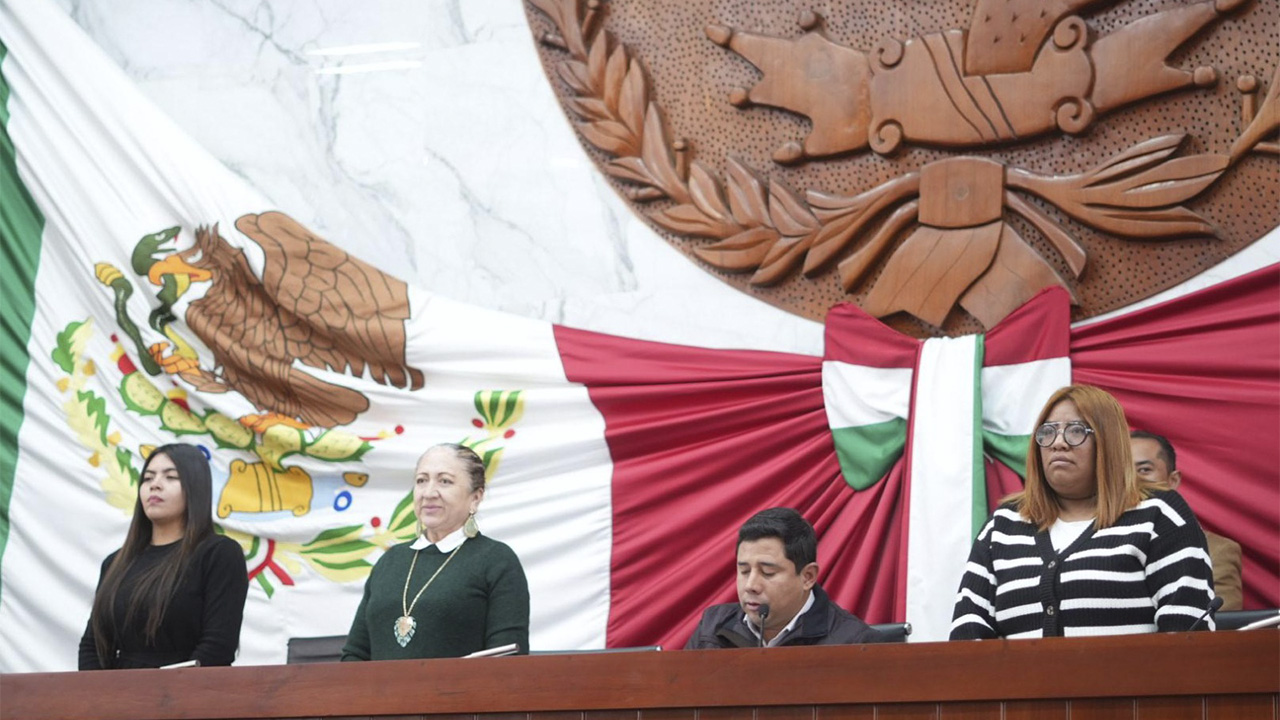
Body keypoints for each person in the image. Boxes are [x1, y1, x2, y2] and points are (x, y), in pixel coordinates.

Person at [950, 385, 1216, 640]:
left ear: (1108, 442)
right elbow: (967, 633)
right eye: (1048, 432)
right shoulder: (1003, 526)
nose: (1058, 444)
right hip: (1017, 688)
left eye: (1076, 431)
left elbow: (1186, 635)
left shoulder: (1158, 513)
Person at [342, 443, 529, 660]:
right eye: (421, 480)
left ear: (475, 498)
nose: (429, 493)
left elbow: (507, 660)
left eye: (445, 481)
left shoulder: (497, 561)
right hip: (379, 695)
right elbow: (354, 655)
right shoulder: (390, 561)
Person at [79, 443, 249, 669]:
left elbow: (217, 648)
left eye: (171, 477)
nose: (155, 485)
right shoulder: (115, 563)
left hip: (187, 697)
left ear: (195, 487)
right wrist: (101, 699)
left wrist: (165, 694)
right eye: (148, 478)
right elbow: (94, 645)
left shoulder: (218, 554)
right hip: (118, 698)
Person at [685, 507, 884, 648]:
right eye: (744, 571)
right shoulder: (712, 628)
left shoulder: (854, 643)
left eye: (767, 572)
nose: (751, 586)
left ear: (807, 576)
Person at [1131, 430, 1244, 611]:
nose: (1131, 481)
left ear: (1173, 480)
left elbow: (1222, 628)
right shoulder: (1087, 542)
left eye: (1144, 470)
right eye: (1120, 471)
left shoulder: (1217, 550)